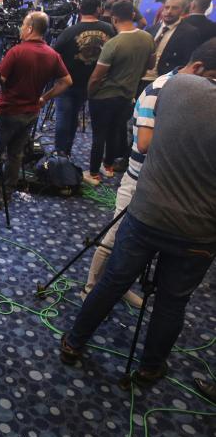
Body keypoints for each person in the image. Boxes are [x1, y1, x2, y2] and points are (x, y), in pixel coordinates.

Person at [60, 72, 216, 388]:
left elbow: (145, 142)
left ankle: (74, 343)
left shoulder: (178, 85)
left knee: (113, 280)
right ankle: (150, 368)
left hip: (147, 211)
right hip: (200, 229)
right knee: (173, 301)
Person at [83, 38, 216, 309]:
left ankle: (119, 288)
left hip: (163, 185)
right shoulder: (160, 88)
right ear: (200, 68)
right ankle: (92, 289)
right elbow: (144, 143)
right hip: (140, 182)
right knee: (115, 237)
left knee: (134, 250)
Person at [0, 12, 72, 189]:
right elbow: (67, 81)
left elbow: (0, 80)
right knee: (16, 154)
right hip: (31, 112)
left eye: (23, 25)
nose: (21, 28)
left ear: (30, 28)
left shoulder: (16, 52)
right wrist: (45, 98)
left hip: (8, 112)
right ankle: (7, 191)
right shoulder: (53, 55)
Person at [84, 2, 153, 186]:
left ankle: (92, 174)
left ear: (114, 18)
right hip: (128, 95)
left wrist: (90, 94)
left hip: (104, 96)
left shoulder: (114, 44)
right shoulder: (147, 38)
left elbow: (96, 77)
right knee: (115, 131)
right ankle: (107, 167)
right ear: (132, 15)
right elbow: (151, 65)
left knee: (99, 135)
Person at [51, 0, 116, 155]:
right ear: (98, 9)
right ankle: (68, 150)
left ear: (80, 9)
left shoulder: (70, 31)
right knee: (75, 118)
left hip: (68, 82)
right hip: (95, 84)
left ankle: (60, 154)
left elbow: (53, 55)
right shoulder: (109, 30)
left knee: (64, 118)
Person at [141, 0, 201, 86]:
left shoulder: (190, 33)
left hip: (164, 83)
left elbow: (186, 63)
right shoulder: (152, 29)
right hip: (141, 79)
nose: (169, 11)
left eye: (175, 8)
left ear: (182, 10)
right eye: (167, 7)